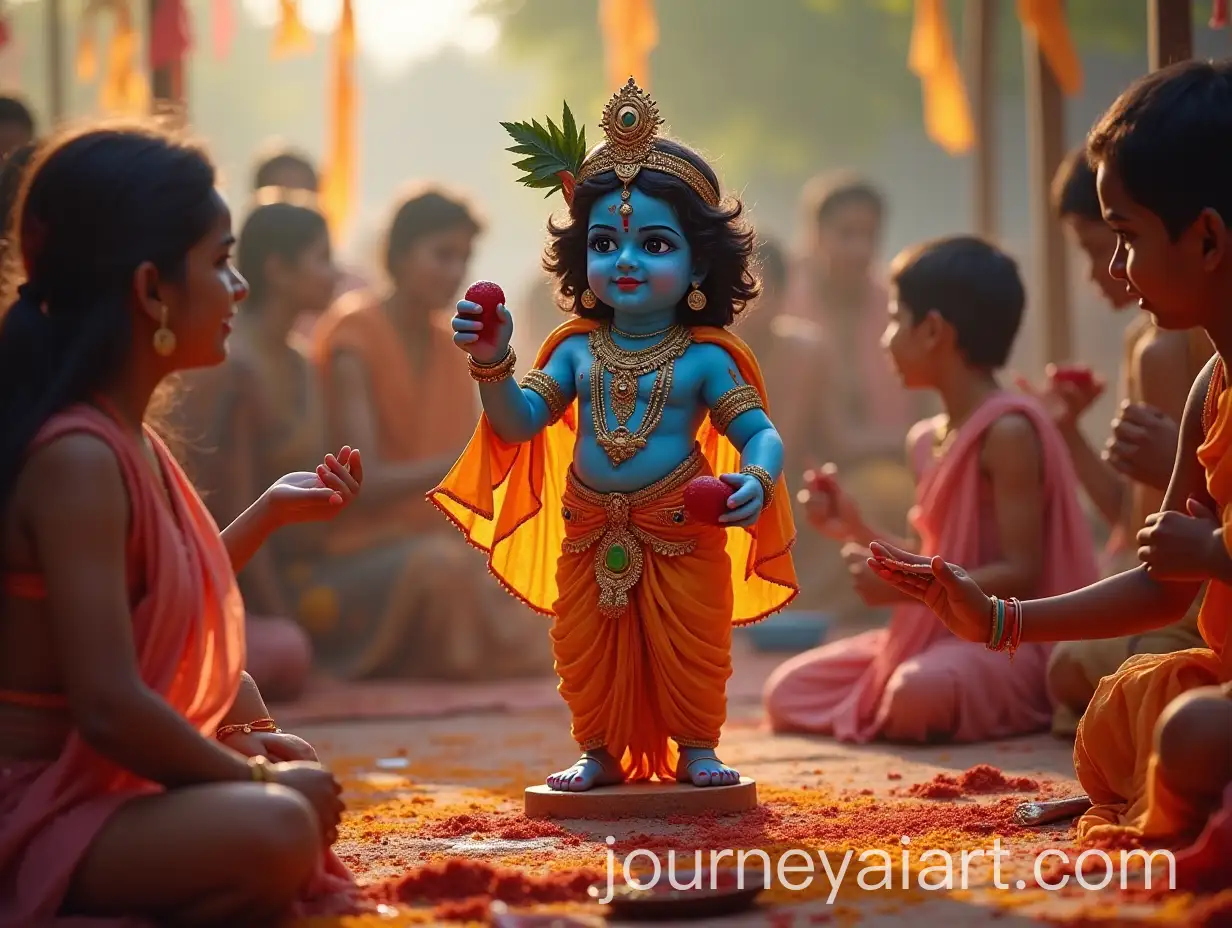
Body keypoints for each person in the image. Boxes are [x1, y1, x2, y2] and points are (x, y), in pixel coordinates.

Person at [864, 60, 1232, 887]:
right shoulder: (1211, 386)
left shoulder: (1023, 420)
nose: (1118, 269)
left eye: (1127, 239)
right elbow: (1161, 586)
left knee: (1189, 734)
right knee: (1112, 720)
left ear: (1207, 239)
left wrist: (1214, 554)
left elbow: (1189, 564)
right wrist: (997, 619)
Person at [0, 123, 359, 924]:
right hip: (36, 801)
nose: (239, 287)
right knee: (276, 825)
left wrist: (268, 512)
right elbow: (109, 708)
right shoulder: (77, 458)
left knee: (267, 731)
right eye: (221, 261)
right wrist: (256, 782)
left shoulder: (126, 438)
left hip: (91, 781)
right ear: (152, 291)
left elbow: (165, 599)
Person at [430, 80, 797, 791]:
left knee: (688, 647)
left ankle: (697, 747)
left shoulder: (704, 361)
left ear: (698, 264)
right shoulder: (574, 352)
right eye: (605, 243)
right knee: (586, 647)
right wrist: (492, 363)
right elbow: (517, 423)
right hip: (589, 529)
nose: (625, 259)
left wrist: (756, 478)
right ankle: (596, 750)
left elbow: (761, 434)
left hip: (680, 528)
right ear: (582, 258)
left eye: (653, 243)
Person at [763, 236, 1098, 743]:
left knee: (916, 695)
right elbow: (932, 555)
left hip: (1005, 639)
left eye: (896, 320)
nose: (885, 340)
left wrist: (906, 587)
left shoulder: (1007, 431)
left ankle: (1004, 698)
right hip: (939, 635)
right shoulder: (926, 439)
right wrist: (854, 526)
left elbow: (1023, 573)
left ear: (934, 331)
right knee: (788, 689)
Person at [309, 185, 553, 681]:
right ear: (399, 255)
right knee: (443, 570)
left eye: (463, 258)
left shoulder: (453, 347)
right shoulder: (354, 336)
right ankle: (456, 661)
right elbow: (364, 481)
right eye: (442, 255)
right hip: (362, 546)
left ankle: (471, 656)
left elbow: (473, 483)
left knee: (538, 563)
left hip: (438, 536)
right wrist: (461, 464)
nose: (454, 272)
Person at [1024, 147, 1212, 736]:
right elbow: (1138, 526)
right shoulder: (1149, 343)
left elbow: (1173, 554)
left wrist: (1180, 469)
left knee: (1081, 673)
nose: (1105, 271)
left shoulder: (1170, 348)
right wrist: (1068, 433)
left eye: (1118, 241)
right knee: (1069, 667)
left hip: (1202, 596)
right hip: (1173, 586)